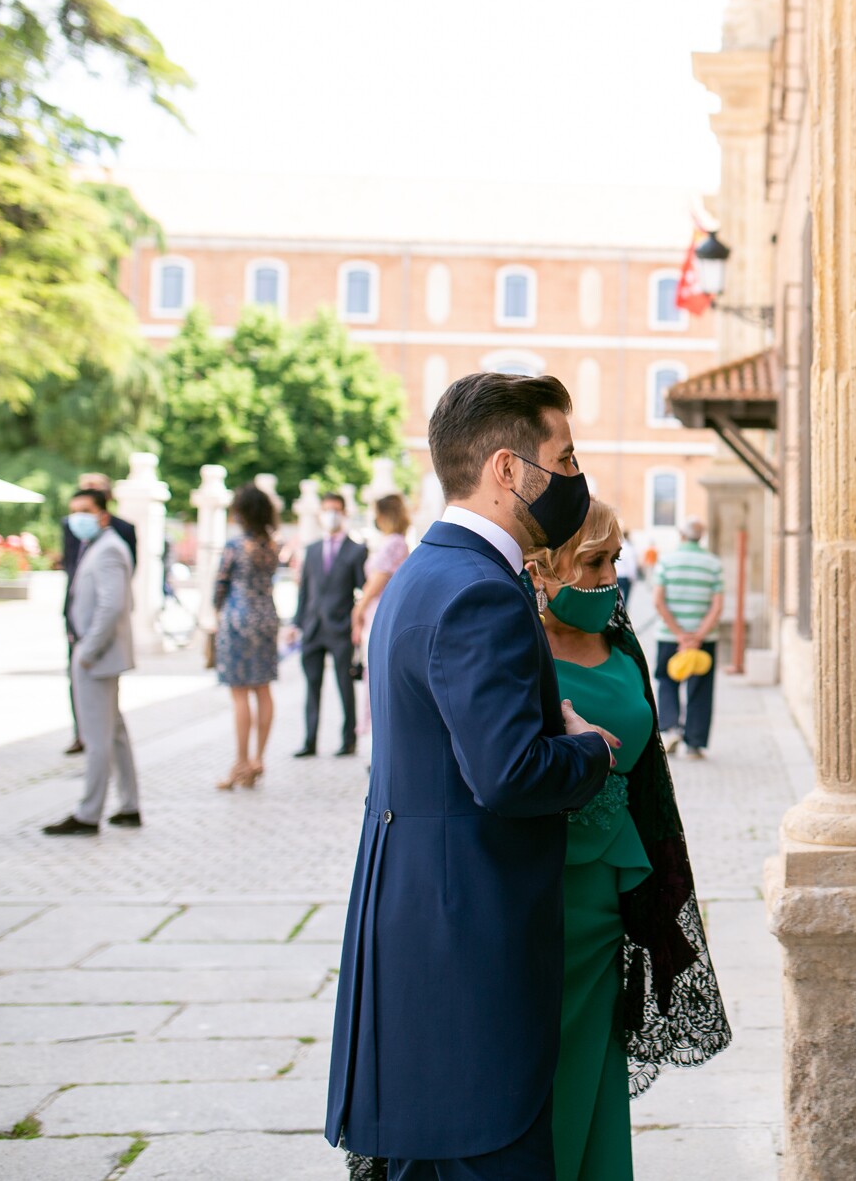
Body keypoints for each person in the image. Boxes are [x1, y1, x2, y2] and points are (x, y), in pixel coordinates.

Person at [327, 371, 618, 1178]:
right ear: (505, 469)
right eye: (563, 457)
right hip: (466, 945)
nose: (573, 476)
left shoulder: (429, 571)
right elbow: (510, 773)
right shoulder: (477, 590)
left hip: (421, 924)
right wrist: (590, 748)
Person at [529, 498, 730, 1179]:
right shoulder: (515, 650)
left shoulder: (621, 644)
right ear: (541, 566)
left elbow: (647, 777)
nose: (610, 576)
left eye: (614, 560)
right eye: (593, 561)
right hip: (537, 898)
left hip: (610, 901)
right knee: (539, 1081)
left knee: (593, 1069)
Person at [43, 489, 139, 835]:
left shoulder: (109, 549)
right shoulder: (98, 547)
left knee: (97, 737)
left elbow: (112, 606)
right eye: (73, 512)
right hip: (96, 656)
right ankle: (129, 805)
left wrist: (89, 650)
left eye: (84, 511)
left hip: (97, 658)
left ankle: (89, 813)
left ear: (102, 514)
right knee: (113, 733)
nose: (76, 519)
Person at [59, 472, 136, 756]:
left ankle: (94, 798)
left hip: (99, 634)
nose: (78, 518)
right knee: (85, 695)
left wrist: (89, 648)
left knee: (105, 728)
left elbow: (115, 597)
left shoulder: (116, 539)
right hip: (77, 623)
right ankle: (80, 731)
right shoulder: (71, 528)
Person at [213, 484, 282, 790]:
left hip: (238, 619)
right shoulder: (272, 545)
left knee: (240, 692)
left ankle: (240, 762)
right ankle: (258, 758)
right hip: (267, 617)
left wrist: (216, 611)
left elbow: (220, 585)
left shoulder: (235, 546)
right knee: (263, 689)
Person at [290, 493, 367, 758]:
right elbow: (305, 592)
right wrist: (296, 623)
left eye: (335, 510)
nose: (330, 515)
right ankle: (309, 740)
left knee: (345, 686)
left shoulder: (356, 550)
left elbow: (363, 591)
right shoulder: (311, 550)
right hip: (312, 629)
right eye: (326, 510)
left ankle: (349, 741)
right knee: (311, 687)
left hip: (341, 629)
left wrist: (357, 624)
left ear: (344, 513)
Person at [651, 517, 724, 759]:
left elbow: (658, 601)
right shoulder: (713, 564)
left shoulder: (666, 561)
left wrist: (680, 634)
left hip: (670, 637)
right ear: (700, 537)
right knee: (701, 688)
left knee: (667, 681)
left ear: (681, 535)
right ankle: (694, 743)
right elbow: (717, 606)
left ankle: (670, 728)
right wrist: (697, 636)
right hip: (704, 640)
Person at [349, 494, 412, 741]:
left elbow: (379, 579)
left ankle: (377, 740)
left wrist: (358, 609)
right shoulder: (392, 541)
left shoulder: (394, 542)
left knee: (376, 676)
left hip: (378, 612)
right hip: (377, 611)